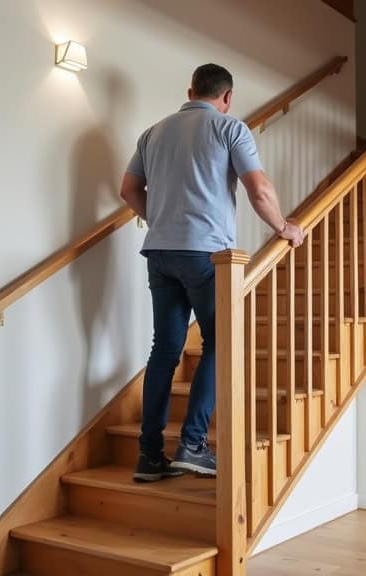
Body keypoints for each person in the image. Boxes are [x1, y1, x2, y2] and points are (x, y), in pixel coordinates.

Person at [120, 63, 304, 482]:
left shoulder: (152, 133)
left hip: (160, 252)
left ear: (190, 91)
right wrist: (284, 228)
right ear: (227, 97)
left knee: (165, 351)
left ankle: (149, 456)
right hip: (205, 255)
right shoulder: (230, 128)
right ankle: (193, 444)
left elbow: (128, 189)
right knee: (222, 339)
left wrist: (162, 221)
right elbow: (258, 188)